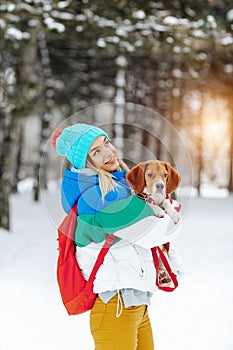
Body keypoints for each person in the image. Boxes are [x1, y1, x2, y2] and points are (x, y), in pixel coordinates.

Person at [52, 123, 184, 350]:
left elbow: (164, 224)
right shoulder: (96, 196)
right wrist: (168, 210)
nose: (108, 152)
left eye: (106, 143)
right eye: (95, 151)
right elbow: (155, 231)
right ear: (85, 162)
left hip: (137, 304)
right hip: (115, 306)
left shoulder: (123, 185)